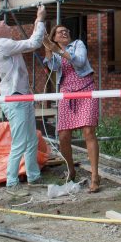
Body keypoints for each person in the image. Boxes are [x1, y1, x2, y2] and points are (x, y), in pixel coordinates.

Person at [0, 5, 47, 197]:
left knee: (31, 140)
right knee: (20, 141)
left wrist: (37, 20)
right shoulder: (1, 43)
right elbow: (33, 43)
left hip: (22, 96)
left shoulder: (5, 42)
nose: (4, 22)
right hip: (15, 99)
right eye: (0, 22)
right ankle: (11, 181)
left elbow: (31, 40)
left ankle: (33, 176)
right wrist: (41, 19)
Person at [43, 25, 100, 193]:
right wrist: (48, 48)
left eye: (66, 30)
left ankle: (95, 176)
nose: (65, 32)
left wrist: (59, 51)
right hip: (66, 93)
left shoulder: (78, 45)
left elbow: (80, 61)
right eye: (60, 32)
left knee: (89, 132)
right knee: (63, 136)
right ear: (55, 38)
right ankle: (71, 169)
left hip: (86, 88)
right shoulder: (54, 49)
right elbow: (53, 67)